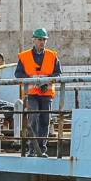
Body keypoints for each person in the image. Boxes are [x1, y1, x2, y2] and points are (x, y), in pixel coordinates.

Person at [16, 28, 62, 157]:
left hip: (46, 94)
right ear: (34, 40)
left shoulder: (52, 56)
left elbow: (58, 73)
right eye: (40, 39)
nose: (42, 42)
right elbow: (18, 74)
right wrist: (31, 79)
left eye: (44, 40)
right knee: (34, 119)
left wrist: (46, 81)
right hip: (31, 95)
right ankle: (32, 149)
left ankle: (41, 150)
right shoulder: (24, 56)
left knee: (45, 121)